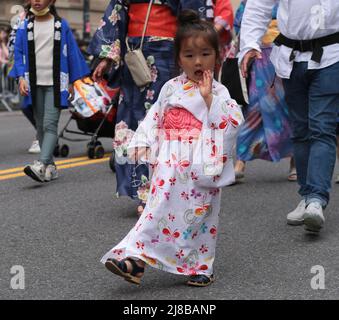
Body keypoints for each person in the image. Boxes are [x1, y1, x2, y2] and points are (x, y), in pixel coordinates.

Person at [100, 10, 243, 287]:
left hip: (200, 165)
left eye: (205, 54)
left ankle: (201, 265)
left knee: (197, 218)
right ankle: (134, 260)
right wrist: (142, 142)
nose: (198, 61)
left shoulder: (220, 93)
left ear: (218, 56)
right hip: (168, 163)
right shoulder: (170, 88)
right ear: (178, 59)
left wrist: (209, 99)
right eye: (189, 56)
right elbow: (155, 116)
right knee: (156, 210)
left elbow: (231, 122)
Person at [89, 0, 234, 216]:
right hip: (133, 50)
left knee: (165, 122)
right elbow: (117, 10)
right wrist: (107, 56)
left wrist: (193, 46)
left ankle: (168, 190)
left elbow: (194, 12)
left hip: (168, 50)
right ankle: (143, 190)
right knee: (131, 123)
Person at [239, 0, 339, 232]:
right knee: (301, 130)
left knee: (322, 126)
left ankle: (316, 199)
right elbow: (259, 5)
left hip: (333, 55)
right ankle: (306, 196)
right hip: (291, 57)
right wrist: (250, 44)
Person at [9, 0, 90, 182]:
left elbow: (72, 54)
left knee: (49, 124)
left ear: (51, 1)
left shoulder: (61, 25)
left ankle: (41, 163)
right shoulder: (25, 26)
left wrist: (71, 81)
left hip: (56, 83)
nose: (37, 1)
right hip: (33, 82)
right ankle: (51, 167)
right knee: (40, 126)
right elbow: (19, 53)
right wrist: (21, 76)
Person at [232, 0, 295, 182]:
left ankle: (295, 162)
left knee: (290, 110)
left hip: (285, 56)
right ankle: (241, 161)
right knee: (254, 110)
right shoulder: (248, 3)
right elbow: (240, 26)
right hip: (259, 59)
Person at [7, 1, 40, 154]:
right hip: (22, 68)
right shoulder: (21, 18)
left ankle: (42, 136)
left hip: (41, 68)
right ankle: (43, 132)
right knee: (25, 105)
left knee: (41, 105)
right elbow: (12, 42)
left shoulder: (50, 17)